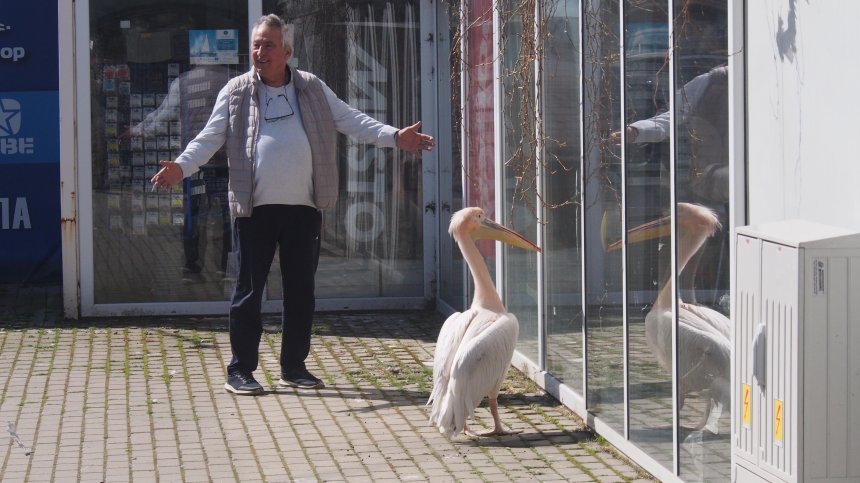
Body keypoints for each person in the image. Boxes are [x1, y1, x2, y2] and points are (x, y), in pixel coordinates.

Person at [151, 14, 435, 396]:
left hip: (304, 209)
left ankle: (293, 367)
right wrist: (182, 167)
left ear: (287, 51)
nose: (259, 52)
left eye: (268, 45)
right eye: (255, 44)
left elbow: (351, 119)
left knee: (301, 291)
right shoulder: (236, 91)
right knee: (249, 292)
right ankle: (240, 370)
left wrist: (395, 137)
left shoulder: (312, 89)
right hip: (256, 210)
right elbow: (209, 138)